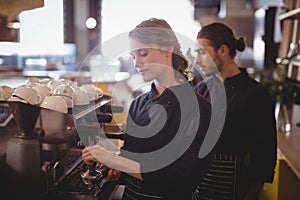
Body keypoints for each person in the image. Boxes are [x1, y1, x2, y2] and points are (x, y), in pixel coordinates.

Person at [82, 18, 214, 199]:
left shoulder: (199, 109)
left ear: (167, 49)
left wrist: (114, 160)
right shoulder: (138, 104)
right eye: (133, 57)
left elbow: (182, 179)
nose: (136, 64)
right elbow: (132, 161)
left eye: (143, 54)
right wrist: (114, 168)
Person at [193, 22, 277, 200]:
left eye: (202, 52)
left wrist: (252, 195)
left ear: (222, 50)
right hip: (199, 186)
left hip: (233, 187)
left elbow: (264, 156)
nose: (197, 60)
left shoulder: (255, 95)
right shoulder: (200, 90)